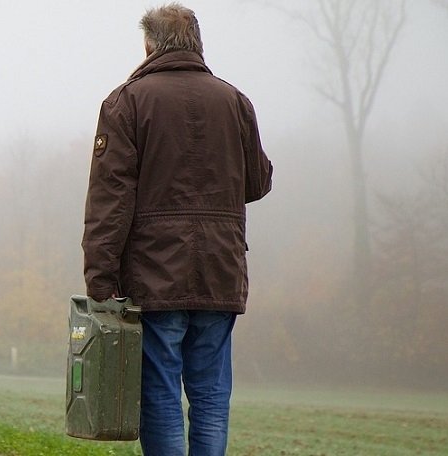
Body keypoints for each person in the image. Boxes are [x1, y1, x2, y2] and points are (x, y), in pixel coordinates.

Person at [81, 4, 273, 455]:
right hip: (221, 269)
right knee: (210, 396)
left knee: (162, 393)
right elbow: (258, 181)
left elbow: (110, 200)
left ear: (149, 45)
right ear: (197, 43)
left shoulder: (125, 102)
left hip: (155, 274)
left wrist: (100, 278)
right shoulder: (235, 101)